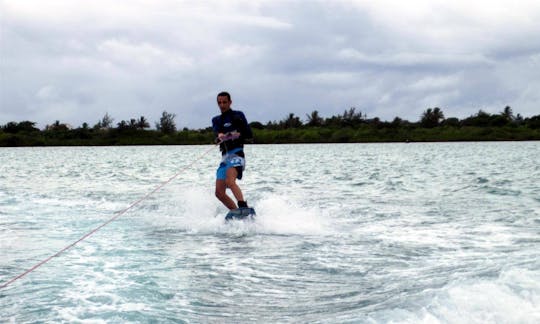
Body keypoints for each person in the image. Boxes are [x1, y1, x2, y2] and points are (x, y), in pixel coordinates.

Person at [212, 91, 253, 210]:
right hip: (225, 157)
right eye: (219, 102)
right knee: (219, 193)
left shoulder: (238, 115)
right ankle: (236, 212)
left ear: (230, 102)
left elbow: (248, 134)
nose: (222, 105)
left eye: (225, 102)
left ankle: (243, 207)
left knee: (230, 181)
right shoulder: (216, 120)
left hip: (237, 153)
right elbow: (216, 133)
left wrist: (234, 134)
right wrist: (219, 136)